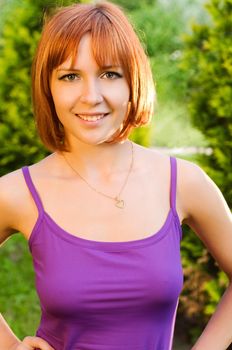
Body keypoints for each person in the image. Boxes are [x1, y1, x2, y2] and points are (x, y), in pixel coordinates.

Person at [0, 1, 231, 349]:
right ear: (48, 87)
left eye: (109, 74)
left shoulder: (183, 182)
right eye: (70, 76)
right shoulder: (18, 192)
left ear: (132, 82)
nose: (91, 96)